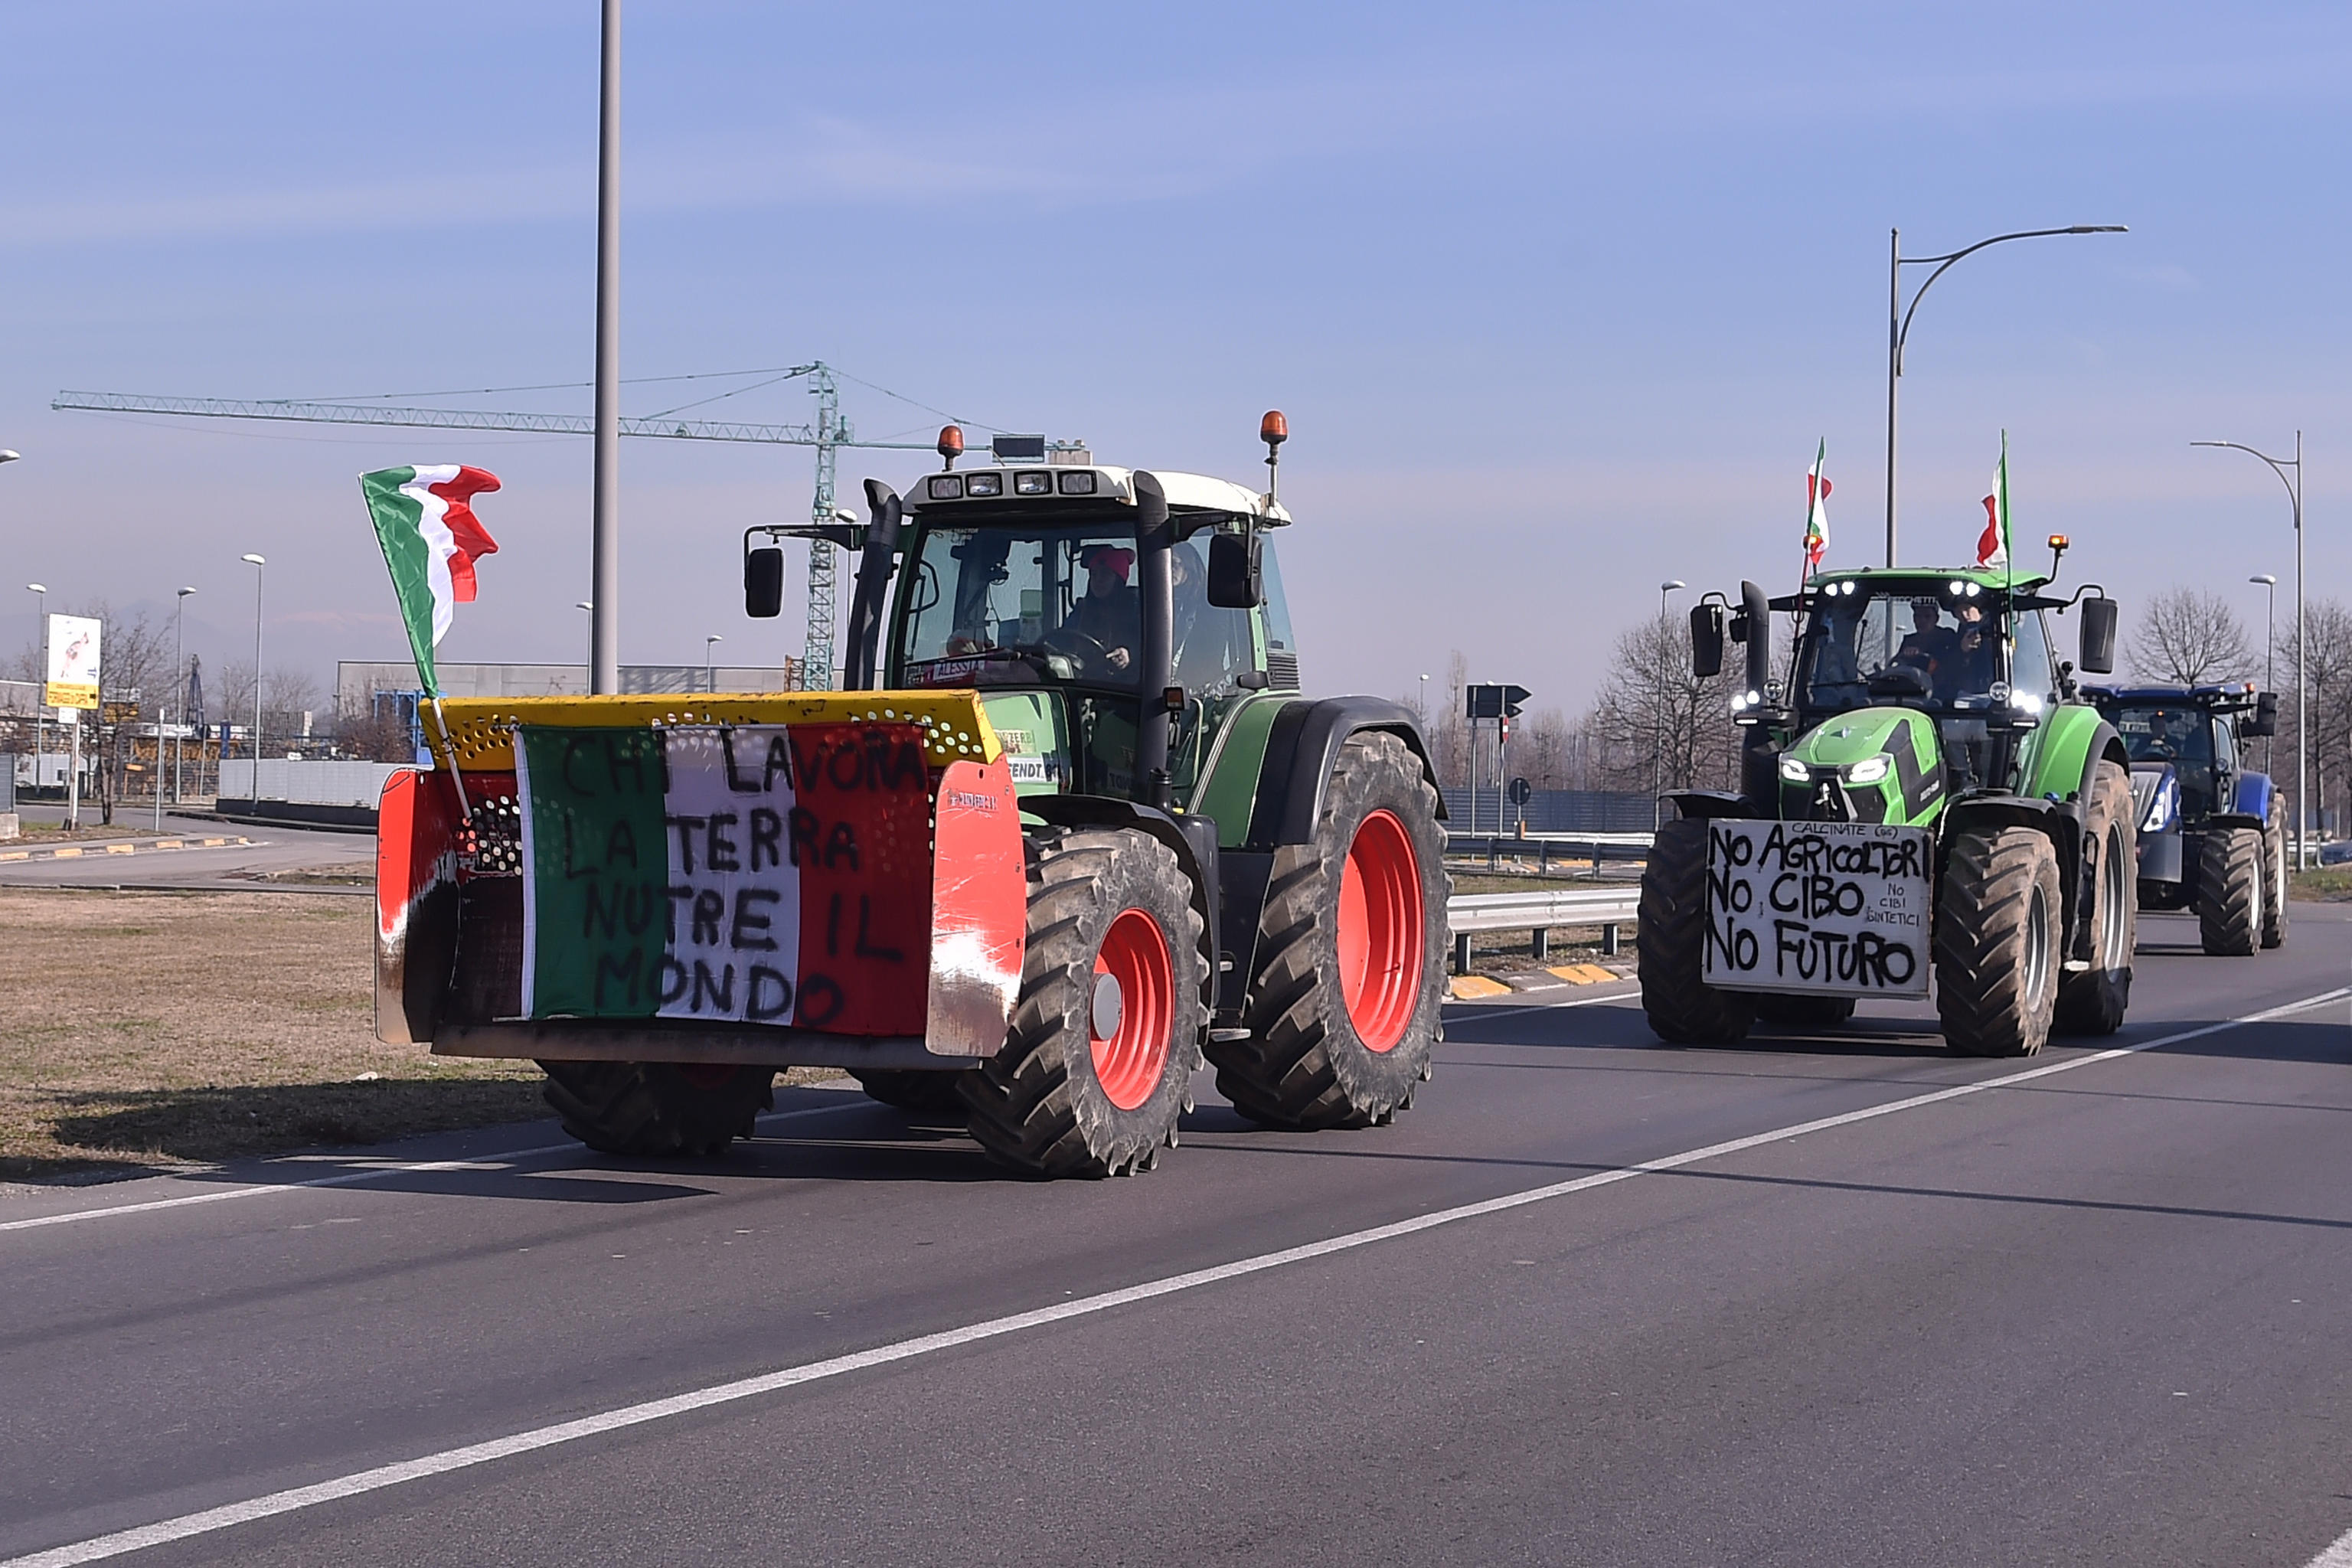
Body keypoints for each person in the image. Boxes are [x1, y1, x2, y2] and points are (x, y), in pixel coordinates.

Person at [1065, 544, 1138, 675]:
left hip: (1119, 685)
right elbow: (1063, 636)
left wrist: (1128, 655)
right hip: (1080, 678)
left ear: (1118, 580)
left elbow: (1149, 650)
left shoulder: (1135, 612)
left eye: (1105, 574)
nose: (1098, 580)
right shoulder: (1081, 610)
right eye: (1094, 574)